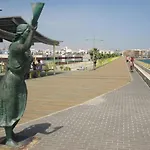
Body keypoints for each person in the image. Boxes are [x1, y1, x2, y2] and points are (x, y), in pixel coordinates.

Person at [0, 23, 37, 146]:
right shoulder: (15, 46)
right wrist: (33, 30)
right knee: (10, 108)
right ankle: (9, 138)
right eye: (27, 32)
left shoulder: (24, 50)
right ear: (22, 33)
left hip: (19, 81)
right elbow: (25, 47)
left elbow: (25, 62)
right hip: (11, 81)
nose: (28, 35)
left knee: (19, 107)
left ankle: (11, 134)